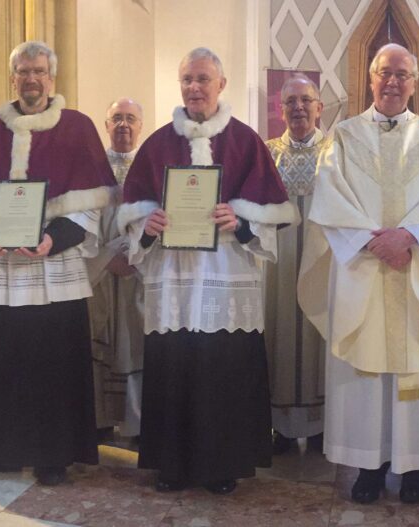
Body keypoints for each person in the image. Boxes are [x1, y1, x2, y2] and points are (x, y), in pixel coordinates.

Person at [297, 43, 419, 504]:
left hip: (418, 266)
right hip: (363, 266)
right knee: (365, 368)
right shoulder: (342, 137)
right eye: (384, 73)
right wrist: (371, 241)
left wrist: (409, 237)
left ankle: (415, 467)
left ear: (414, 83)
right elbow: (330, 198)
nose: (393, 82)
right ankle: (369, 465)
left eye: (402, 74)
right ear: (370, 79)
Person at [0, 41, 117, 486]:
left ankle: (53, 455)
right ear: (12, 77)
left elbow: (91, 205)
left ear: (52, 78)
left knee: (53, 364)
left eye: (39, 71)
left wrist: (54, 239)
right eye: (23, 71)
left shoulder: (77, 128)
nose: (31, 79)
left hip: (53, 266)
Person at [118, 47, 296, 495]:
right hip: (172, 280)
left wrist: (241, 221)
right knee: (172, 366)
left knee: (224, 371)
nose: (194, 88)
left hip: (225, 276)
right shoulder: (157, 144)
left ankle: (222, 465)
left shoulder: (246, 142)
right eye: (187, 80)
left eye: (202, 79)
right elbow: (133, 218)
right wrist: (147, 226)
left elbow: (271, 217)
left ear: (221, 84)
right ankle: (171, 465)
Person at [264, 74, 328, 455]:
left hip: (324, 260)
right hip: (279, 264)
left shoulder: (337, 151)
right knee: (280, 330)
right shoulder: (267, 153)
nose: (299, 108)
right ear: (280, 109)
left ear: (320, 107)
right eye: (291, 102)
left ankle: (323, 426)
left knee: (322, 332)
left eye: (306, 100)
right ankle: (283, 428)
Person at [87, 97, 145, 440]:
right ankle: (100, 419)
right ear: (106, 126)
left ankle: (137, 422)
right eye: (117, 118)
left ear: (141, 126)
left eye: (131, 119)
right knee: (101, 339)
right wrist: (106, 258)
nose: (124, 125)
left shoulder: (152, 167)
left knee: (135, 343)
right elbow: (81, 221)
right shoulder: (90, 169)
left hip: (138, 270)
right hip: (100, 270)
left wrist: (137, 255)